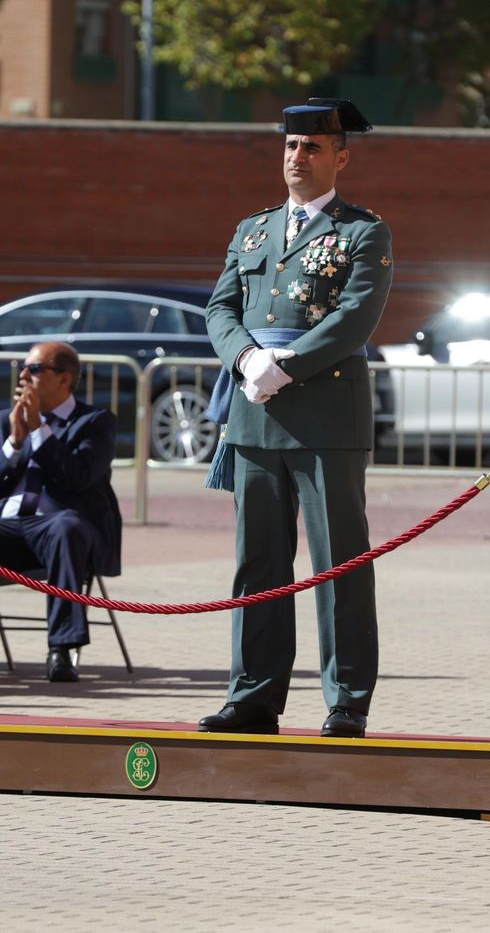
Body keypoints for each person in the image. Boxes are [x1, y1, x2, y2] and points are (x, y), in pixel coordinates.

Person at [197, 98, 393, 739]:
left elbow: (356, 317)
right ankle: (253, 695)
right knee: (258, 562)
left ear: (341, 157)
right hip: (255, 417)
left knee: (338, 563)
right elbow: (219, 309)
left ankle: (346, 700)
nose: (297, 158)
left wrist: (288, 365)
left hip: (324, 418)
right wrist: (249, 359)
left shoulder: (362, 232)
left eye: (312, 147)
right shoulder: (252, 230)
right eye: (290, 146)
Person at [0, 341, 122, 683]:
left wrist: (39, 432)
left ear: (65, 378)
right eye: (24, 368)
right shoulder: (4, 420)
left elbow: (79, 477)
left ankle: (62, 649)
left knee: (64, 527)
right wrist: (15, 440)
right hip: (8, 527)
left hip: (64, 528)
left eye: (34, 369)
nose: (24, 376)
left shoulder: (95, 422)